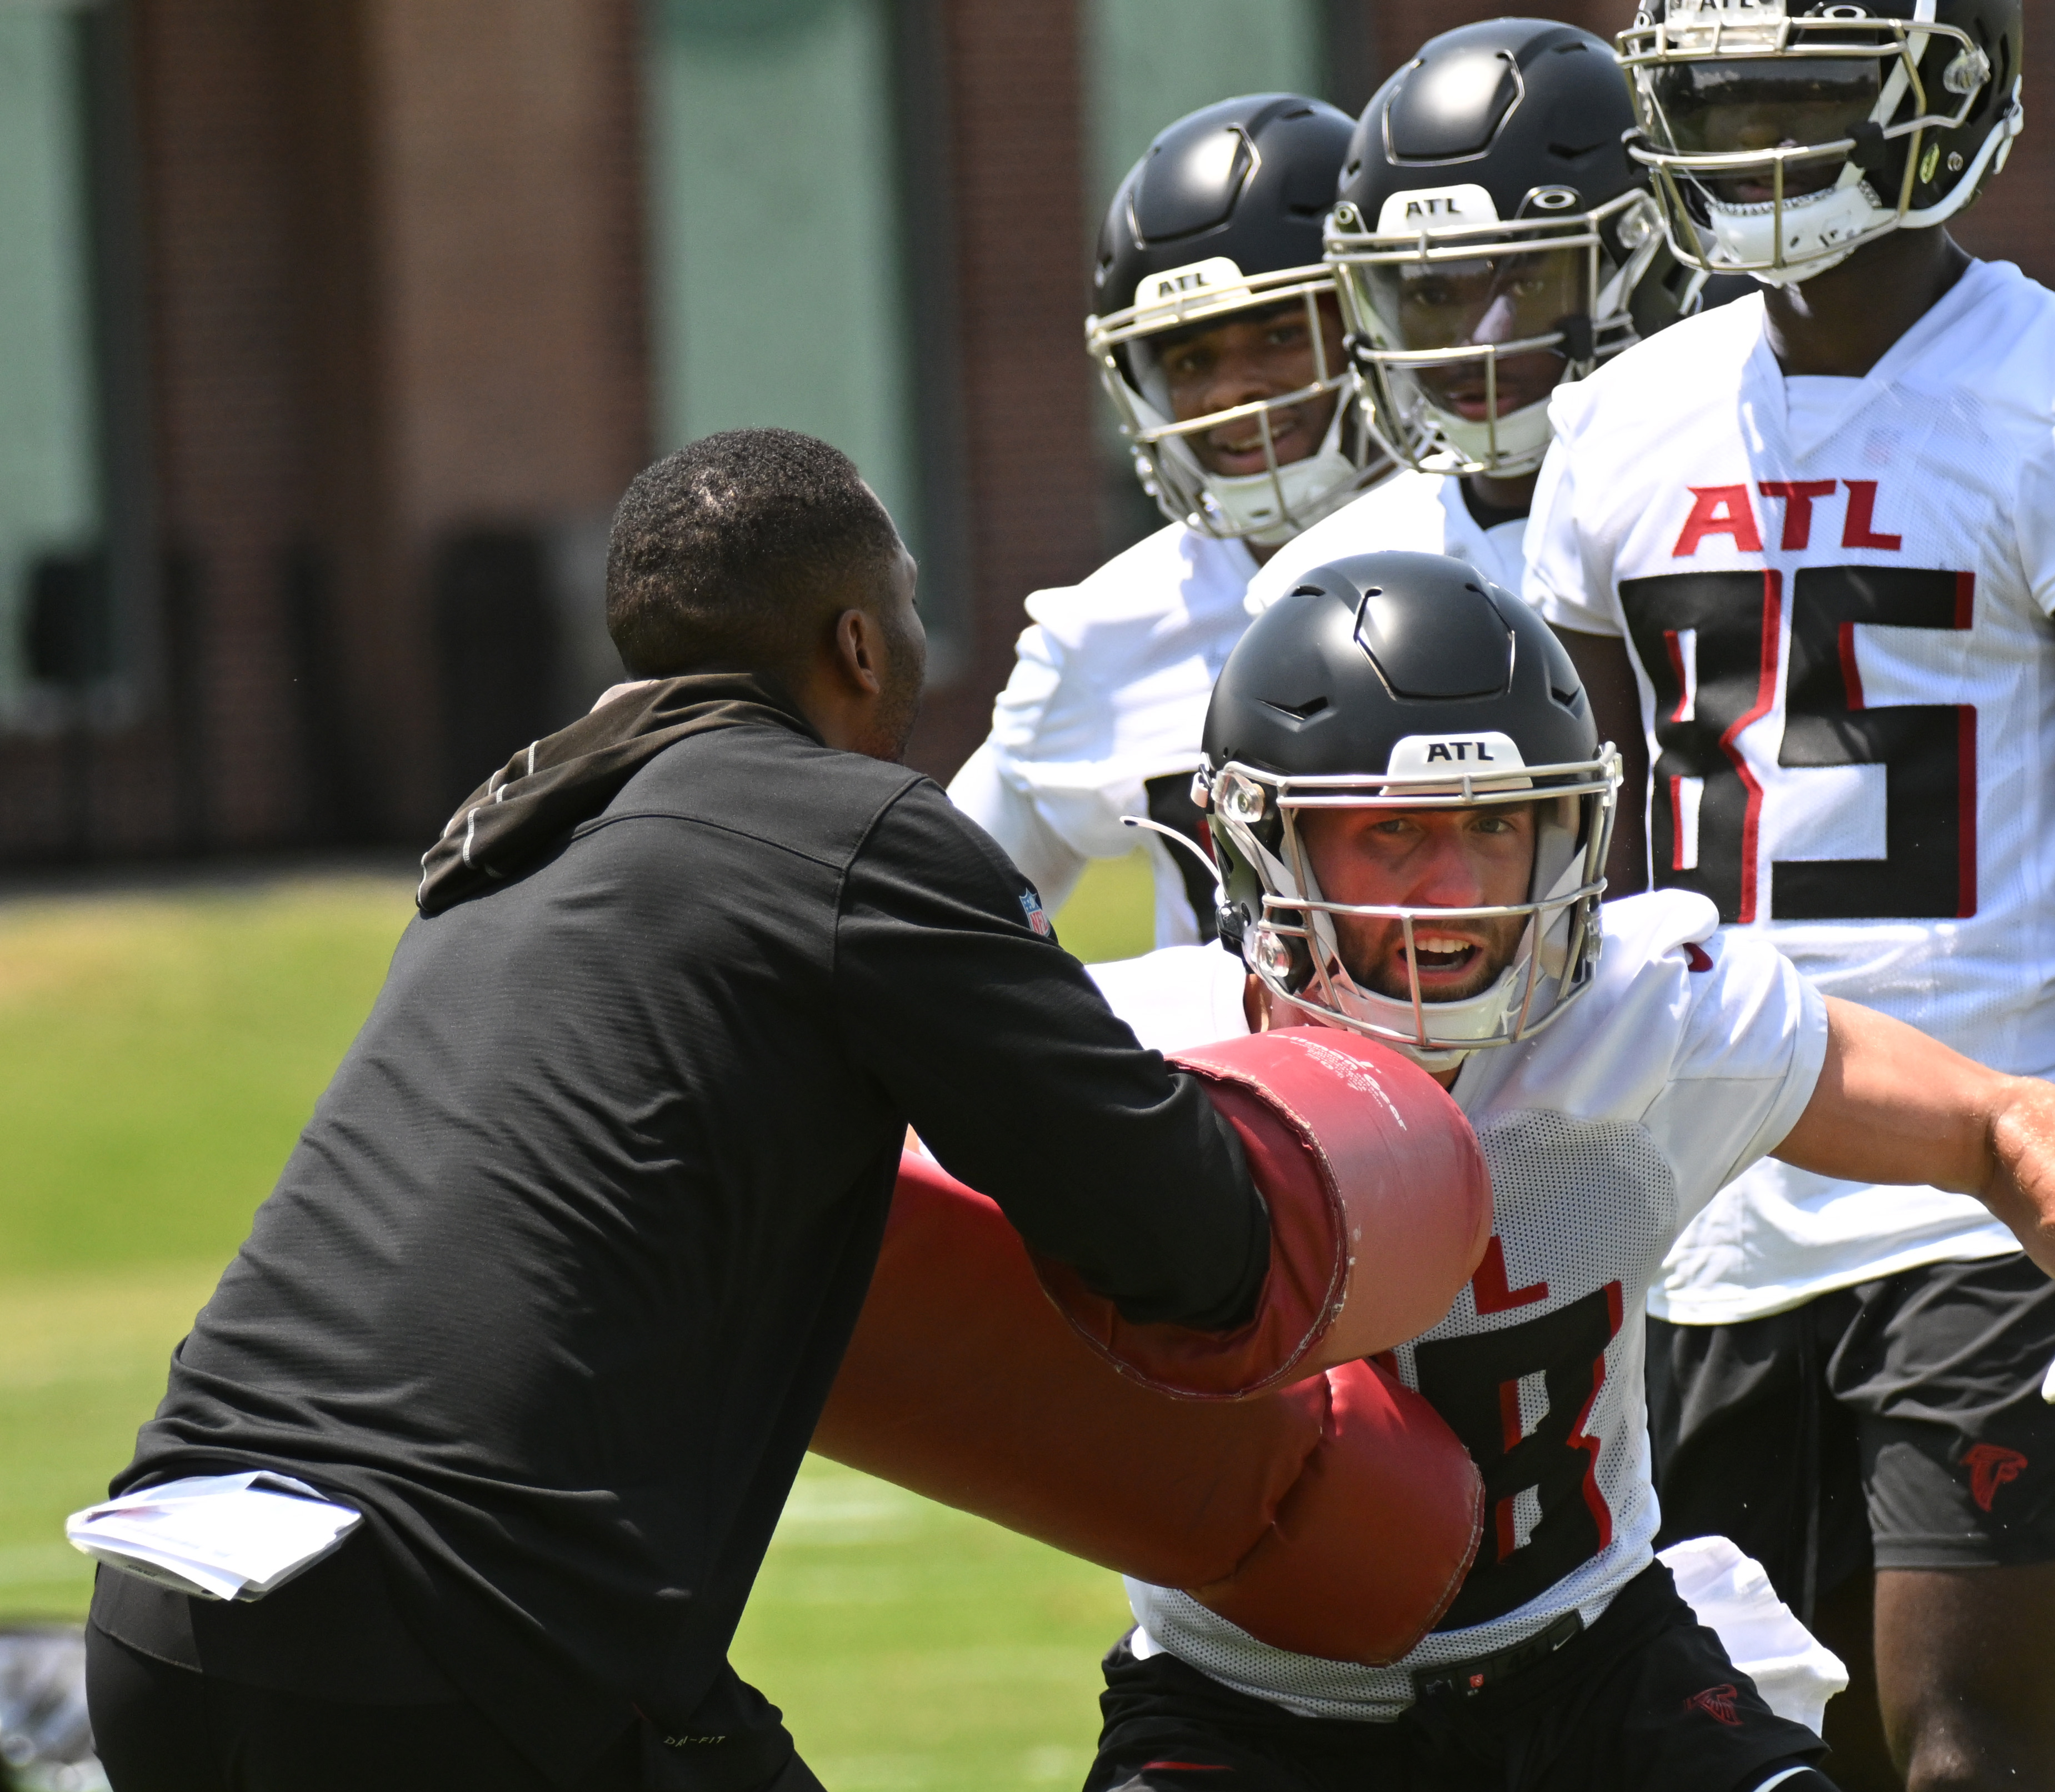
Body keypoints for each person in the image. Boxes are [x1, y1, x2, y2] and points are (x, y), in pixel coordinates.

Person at [82, 428, 1284, 1792]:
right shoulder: (857, 830)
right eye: (907, 617)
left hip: (161, 1618)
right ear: (859, 645)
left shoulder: (501, 838)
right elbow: (1192, 1237)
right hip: (457, 1631)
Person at [1071, 552, 2055, 1792]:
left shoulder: (1642, 1015)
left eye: (1497, 823)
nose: (1450, 891)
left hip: (1594, 1675)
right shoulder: (1139, 1062)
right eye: (1392, 830)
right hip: (1251, 1708)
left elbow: (1995, 1121)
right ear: (1260, 836)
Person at [1522, 6, 2055, 1788]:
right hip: (1689, 1195)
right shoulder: (1619, 422)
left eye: (1798, 90)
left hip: (1987, 1188)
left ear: (1938, 100)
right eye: (1715, 96)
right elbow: (1570, 875)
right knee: (1763, 1755)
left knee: (1965, 1752)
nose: (1752, 139)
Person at [948, 92, 1383, 950]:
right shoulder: (1103, 634)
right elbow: (941, 916)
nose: (1230, 391)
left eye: (1277, 333)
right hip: (1248, 1083)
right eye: (1189, 358)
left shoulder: (1503, 539)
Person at [1237, 18, 1713, 615]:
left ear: (1643, 261)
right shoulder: (1323, 587)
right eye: (1433, 296)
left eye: (1528, 282)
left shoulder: (1750, 504)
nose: (1476, 341)